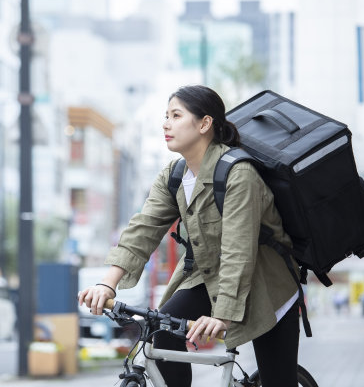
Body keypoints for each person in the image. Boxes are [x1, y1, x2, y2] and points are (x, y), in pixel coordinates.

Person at [78, 85, 301, 387]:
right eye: (165, 116)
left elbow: (239, 251)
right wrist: (108, 283)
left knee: (278, 380)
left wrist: (221, 316)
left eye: (176, 115)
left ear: (204, 124)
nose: (165, 124)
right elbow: (143, 229)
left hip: (265, 283)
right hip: (207, 276)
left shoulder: (239, 174)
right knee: (162, 332)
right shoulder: (174, 176)